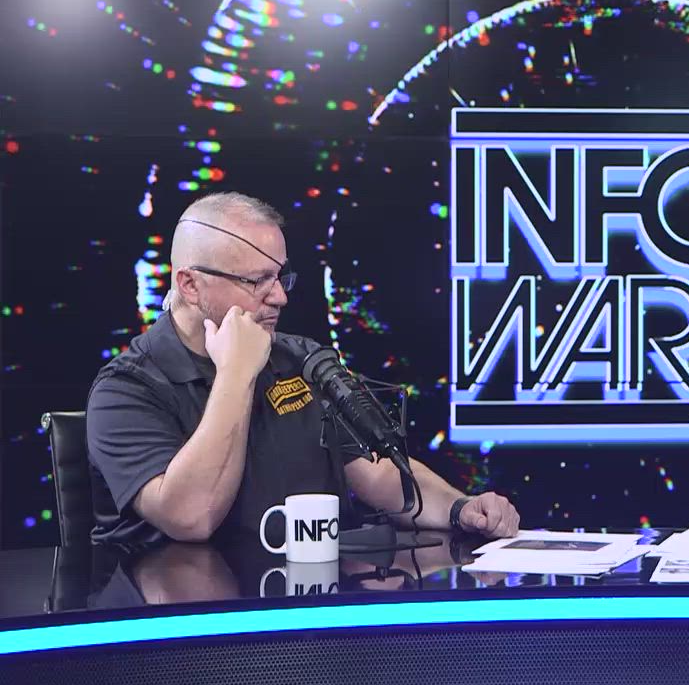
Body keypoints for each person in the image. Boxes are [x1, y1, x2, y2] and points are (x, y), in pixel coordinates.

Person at [87, 192, 520, 545]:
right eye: (257, 280)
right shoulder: (126, 388)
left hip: (303, 602)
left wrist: (461, 508)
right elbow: (191, 518)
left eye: (280, 277)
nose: (279, 297)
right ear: (190, 285)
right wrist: (236, 375)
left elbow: (379, 472)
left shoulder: (300, 359)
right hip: (183, 615)